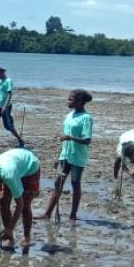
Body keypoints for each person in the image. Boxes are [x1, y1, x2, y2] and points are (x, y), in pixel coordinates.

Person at [42, 90, 93, 221]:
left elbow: (87, 140)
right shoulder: (69, 116)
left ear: (80, 102)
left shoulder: (86, 118)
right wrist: (58, 156)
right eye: (68, 99)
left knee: (75, 184)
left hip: (77, 156)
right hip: (65, 155)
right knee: (58, 183)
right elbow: (64, 139)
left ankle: (73, 214)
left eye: (71, 99)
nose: (68, 102)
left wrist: (70, 138)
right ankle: (47, 213)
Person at [0, 148, 40, 250]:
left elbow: (20, 205)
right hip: (14, 163)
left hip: (29, 166)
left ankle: (26, 236)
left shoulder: (9, 176)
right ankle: (9, 237)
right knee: (3, 203)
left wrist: (10, 227)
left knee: (26, 203)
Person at [0, 67, 25, 148]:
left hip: (6, 107)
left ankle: (20, 140)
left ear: (2, 73)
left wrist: (5, 107)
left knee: (8, 125)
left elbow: (9, 94)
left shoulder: (8, 81)